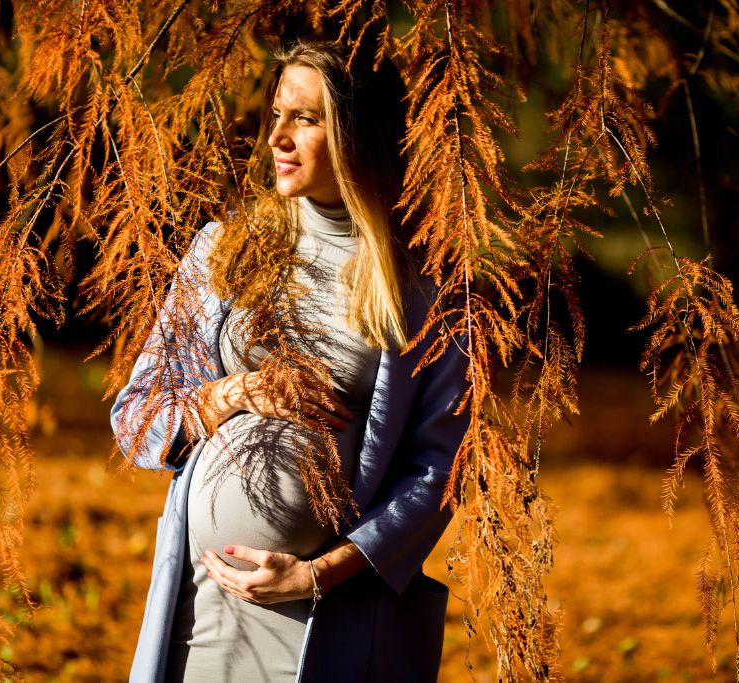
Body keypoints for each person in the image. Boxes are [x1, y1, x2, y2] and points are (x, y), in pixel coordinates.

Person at [111, 38, 470, 683]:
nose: (276, 136)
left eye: (305, 118)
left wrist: (316, 575)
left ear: (358, 134)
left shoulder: (424, 288)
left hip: (332, 620)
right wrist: (237, 393)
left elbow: (437, 470)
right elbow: (135, 415)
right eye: (276, 113)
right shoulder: (225, 251)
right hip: (207, 605)